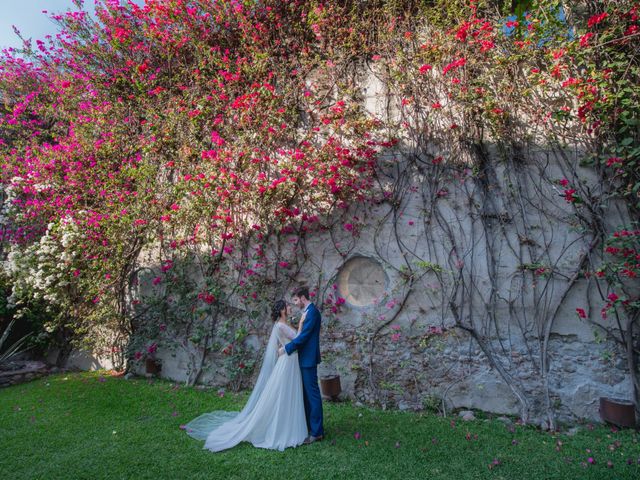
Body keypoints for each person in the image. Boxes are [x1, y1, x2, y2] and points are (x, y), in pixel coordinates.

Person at [183, 299, 307, 452]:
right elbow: (298, 339)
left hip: (290, 360)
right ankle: (279, 427)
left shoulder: (283, 324)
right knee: (282, 394)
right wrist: (301, 323)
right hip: (287, 363)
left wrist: (283, 347)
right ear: (282, 310)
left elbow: (284, 343)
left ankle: (287, 423)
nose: (290, 307)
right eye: (288, 306)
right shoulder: (281, 325)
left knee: (287, 393)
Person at [281, 286, 324, 444]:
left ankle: (317, 431)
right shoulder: (307, 312)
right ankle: (308, 427)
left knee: (312, 395)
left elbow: (304, 336)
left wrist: (287, 349)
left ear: (303, 298)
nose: (294, 303)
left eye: (295, 300)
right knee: (305, 394)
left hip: (308, 359)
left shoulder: (312, 313)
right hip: (303, 358)